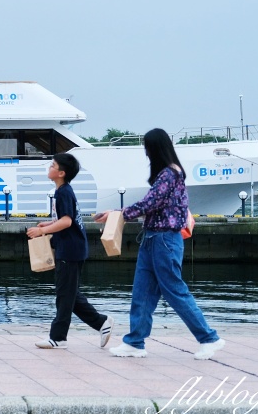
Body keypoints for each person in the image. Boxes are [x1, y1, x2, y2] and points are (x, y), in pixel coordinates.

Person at [96, 128, 225, 360]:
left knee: (174, 291)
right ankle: (135, 342)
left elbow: (149, 203)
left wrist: (118, 213)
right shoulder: (170, 173)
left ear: (155, 148)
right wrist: (118, 213)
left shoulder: (169, 174)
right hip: (154, 238)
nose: (146, 153)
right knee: (142, 292)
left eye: (147, 148)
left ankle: (209, 338)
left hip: (164, 239)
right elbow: (151, 204)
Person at [27, 152, 112, 350]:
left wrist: (42, 230)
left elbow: (67, 221)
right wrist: (49, 223)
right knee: (68, 293)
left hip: (71, 249)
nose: (49, 167)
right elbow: (67, 218)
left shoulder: (63, 192)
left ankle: (58, 337)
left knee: (65, 294)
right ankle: (101, 323)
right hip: (71, 248)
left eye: (53, 165)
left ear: (61, 173)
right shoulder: (64, 191)